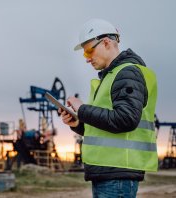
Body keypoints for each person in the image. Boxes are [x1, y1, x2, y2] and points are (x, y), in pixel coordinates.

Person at [59, 18, 158, 198]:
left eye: (89, 50)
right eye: (84, 54)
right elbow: (105, 129)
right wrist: (78, 124)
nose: (87, 58)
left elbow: (126, 119)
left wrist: (82, 109)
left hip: (118, 175)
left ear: (106, 43)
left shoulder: (127, 73)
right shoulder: (111, 77)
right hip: (109, 173)